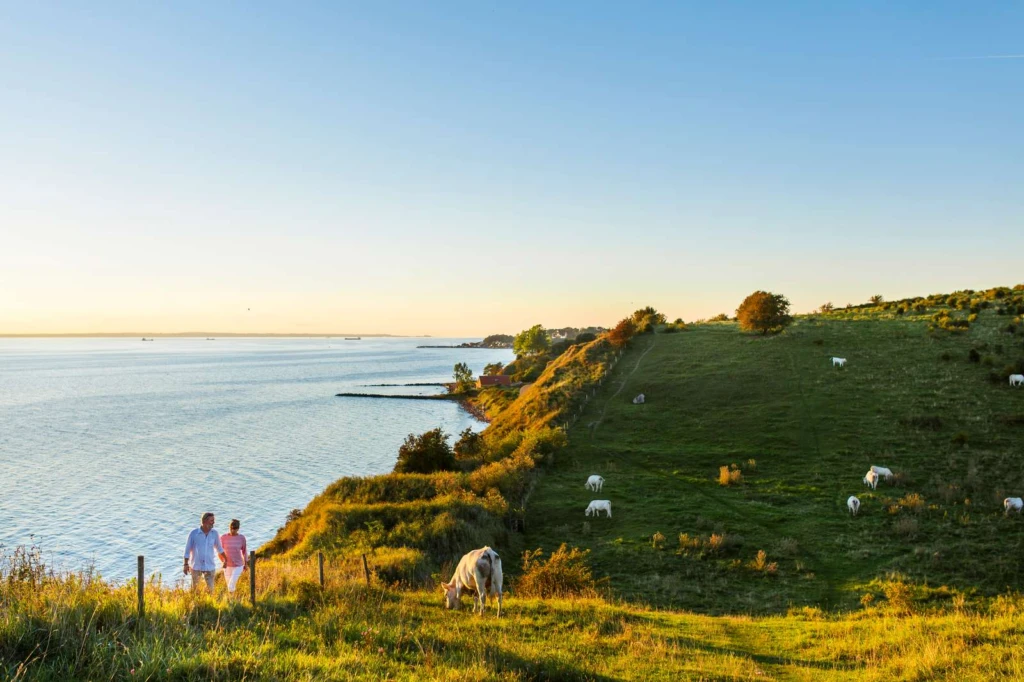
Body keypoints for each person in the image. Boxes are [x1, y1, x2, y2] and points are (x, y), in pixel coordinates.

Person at [183, 512, 226, 592]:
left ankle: (210, 604)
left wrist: (226, 560)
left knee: (211, 591)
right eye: (211, 520)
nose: (213, 522)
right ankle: (197, 604)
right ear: (205, 521)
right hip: (196, 567)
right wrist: (185, 564)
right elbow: (187, 551)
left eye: (213, 520)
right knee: (196, 591)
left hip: (210, 567)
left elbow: (219, 548)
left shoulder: (215, 533)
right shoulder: (194, 534)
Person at [221, 518, 247, 596]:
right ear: (229, 527)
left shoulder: (241, 538)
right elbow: (219, 551)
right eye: (231, 528)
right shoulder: (223, 537)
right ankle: (232, 601)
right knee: (229, 585)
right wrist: (223, 561)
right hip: (227, 565)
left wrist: (245, 564)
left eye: (234, 529)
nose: (232, 530)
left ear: (238, 529)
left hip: (238, 565)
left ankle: (231, 601)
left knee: (231, 585)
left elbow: (244, 551)